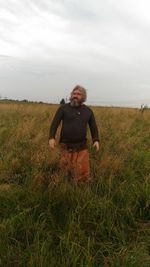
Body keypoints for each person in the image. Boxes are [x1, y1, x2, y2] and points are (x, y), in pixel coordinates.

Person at [49, 85, 100, 183]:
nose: (75, 96)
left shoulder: (88, 111)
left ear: (83, 97)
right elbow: (54, 124)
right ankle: (65, 187)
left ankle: (81, 189)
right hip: (65, 146)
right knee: (64, 172)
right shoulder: (63, 108)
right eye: (74, 93)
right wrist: (51, 137)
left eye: (78, 94)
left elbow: (93, 127)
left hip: (82, 147)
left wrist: (96, 140)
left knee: (83, 175)